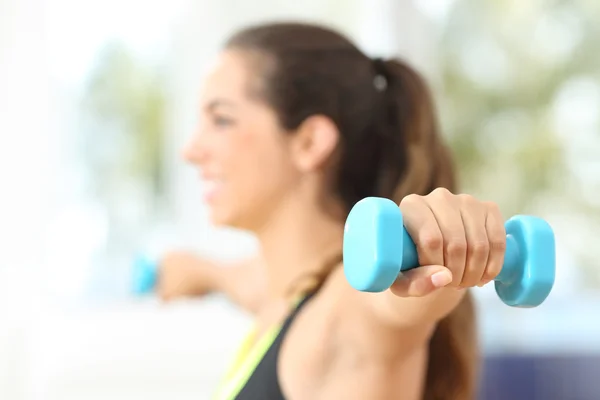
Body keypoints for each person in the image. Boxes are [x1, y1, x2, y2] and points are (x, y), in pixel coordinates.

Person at [161, 22, 508, 400]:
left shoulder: (349, 310)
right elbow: (243, 282)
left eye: (222, 120)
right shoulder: (284, 288)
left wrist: (440, 240)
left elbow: (398, 302)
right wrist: (197, 272)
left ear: (309, 142)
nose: (191, 151)